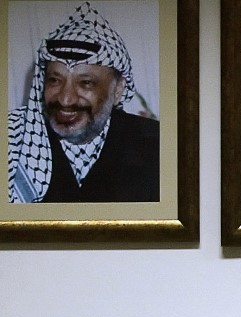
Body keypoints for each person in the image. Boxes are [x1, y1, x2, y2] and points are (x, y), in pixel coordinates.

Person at [8, 1, 160, 203]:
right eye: (55, 80)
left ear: (117, 90)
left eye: (85, 83)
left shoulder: (158, 145)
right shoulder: (14, 138)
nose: (65, 98)